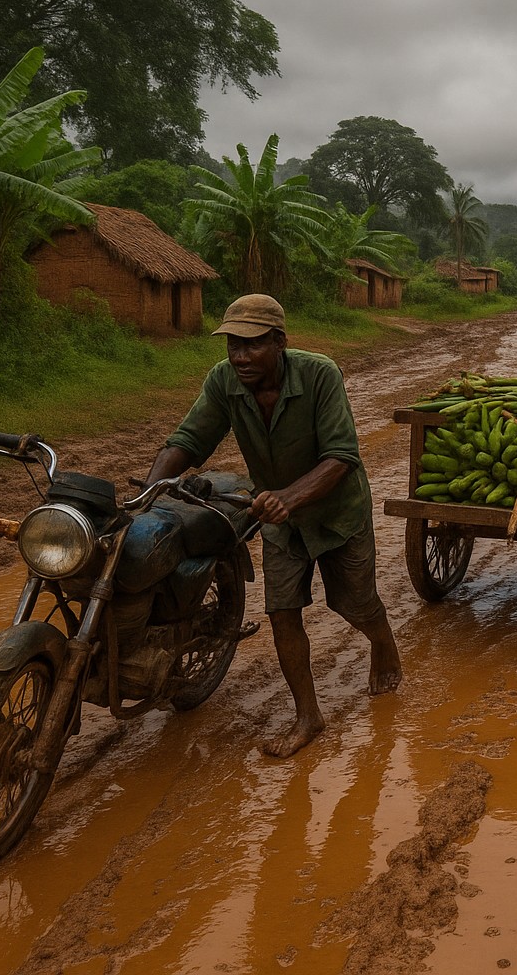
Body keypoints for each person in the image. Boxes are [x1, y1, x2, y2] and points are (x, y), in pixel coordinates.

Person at [144, 293, 402, 757]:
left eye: (252, 344)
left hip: (337, 511)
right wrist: (148, 491)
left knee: (355, 605)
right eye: (232, 346)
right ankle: (308, 716)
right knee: (283, 612)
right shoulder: (224, 381)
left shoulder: (319, 374)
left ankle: (382, 643)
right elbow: (188, 439)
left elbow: (342, 455)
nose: (240, 356)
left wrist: (289, 496)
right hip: (279, 520)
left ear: (279, 342)